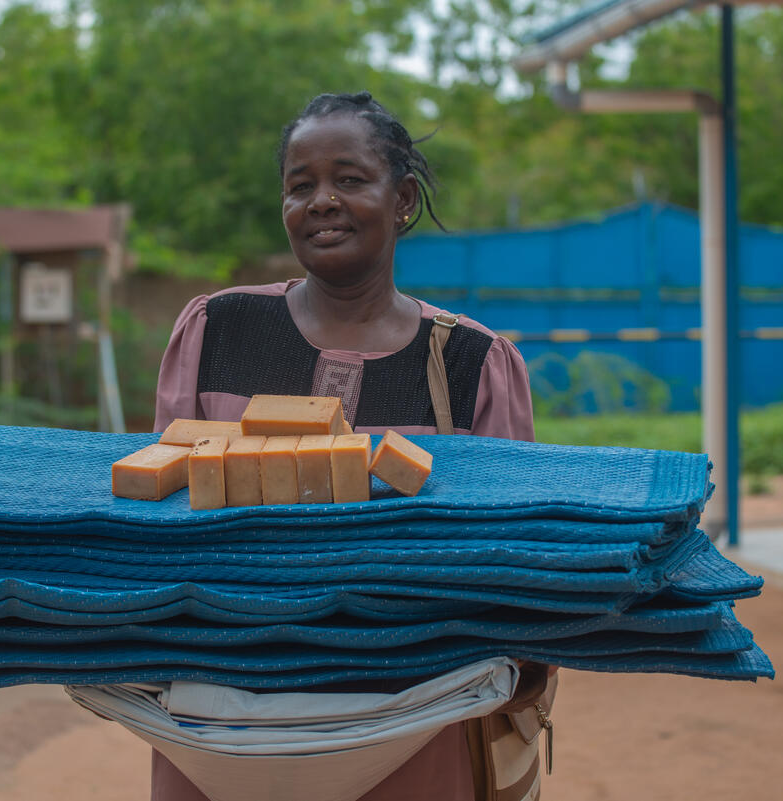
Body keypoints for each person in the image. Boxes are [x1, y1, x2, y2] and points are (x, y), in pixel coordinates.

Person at [151, 91, 555, 801]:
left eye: (349, 179)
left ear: (403, 200)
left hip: (415, 717)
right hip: (221, 718)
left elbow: (513, 556)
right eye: (299, 185)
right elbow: (157, 515)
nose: (321, 201)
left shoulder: (471, 362)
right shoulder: (218, 330)